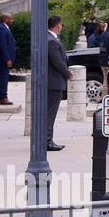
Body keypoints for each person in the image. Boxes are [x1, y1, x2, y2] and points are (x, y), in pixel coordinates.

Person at [45, 16, 70, 152]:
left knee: (49, 112)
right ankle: (47, 141)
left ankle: (48, 139)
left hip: (52, 81)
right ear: (58, 25)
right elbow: (57, 61)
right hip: (53, 82)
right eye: (61, 24)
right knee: (50, 113)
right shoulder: (51, 41)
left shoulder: (50, 39)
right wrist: (68, 73)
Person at [0, 13, 17, 105]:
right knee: (2, 78)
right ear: (6, 19)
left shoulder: (3, 28)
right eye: (11, 19)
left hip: (2, 59)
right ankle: (2, 97)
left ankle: (0, 97)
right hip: (2, 60)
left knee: (1, 78)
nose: (12, 20)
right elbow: (2, 45)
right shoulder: (1, 28)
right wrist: (7, 59)